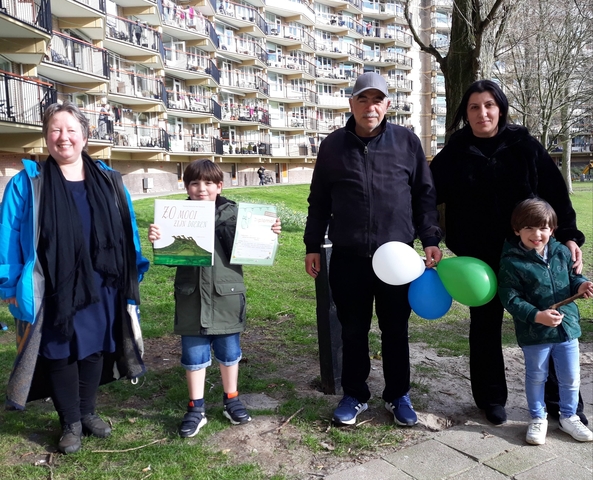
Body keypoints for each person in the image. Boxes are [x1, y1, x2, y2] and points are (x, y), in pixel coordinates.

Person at [430, 79, 587, 426]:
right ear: (465, 114)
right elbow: (426, 195)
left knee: (549, 325)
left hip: (530, 254)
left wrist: (571, 236)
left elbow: (555, 196)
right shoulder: (455, 152)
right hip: (479, 259)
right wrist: (430, 236)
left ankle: (562, 405)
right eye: (474, 107)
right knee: (484, 328)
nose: (482, 112)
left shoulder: (524, 146)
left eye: (489, 105)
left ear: (500, 108)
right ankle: (491, 400)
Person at [0, 101, 149, 454]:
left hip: (102, 283)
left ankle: (88, 412)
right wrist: (7, 285)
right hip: (51, 285)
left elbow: (128, 230)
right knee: (60, 352)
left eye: (71, 130)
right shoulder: (28, 184)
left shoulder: (109, 179)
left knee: (95, 349)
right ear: (45, 137)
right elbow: (7, 238)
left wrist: (135, 269)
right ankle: (69, 422)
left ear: (85, 135)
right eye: (55, 130)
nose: (63, 137)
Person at [304, 72, 442, 427]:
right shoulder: (333, 146)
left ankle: (398, 395)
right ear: (351, 104)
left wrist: (429, 239)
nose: (370, 106)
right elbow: (318, 200)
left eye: (377, 99)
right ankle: (355, 394)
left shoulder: (407, 143)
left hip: (397, 257)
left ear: (387, 105)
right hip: (349, 256)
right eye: (363, 99)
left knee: (396, 330)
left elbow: (424, 197)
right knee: (352, 329)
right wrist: (312, 245)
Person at [148, 159, 281, 437]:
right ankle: (196, 408)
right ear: (186, 187)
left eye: (208, 183)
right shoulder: (175, 215)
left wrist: (269, 234)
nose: (201, 189)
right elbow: (172, 258)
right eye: (194, 183)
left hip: (226, 298)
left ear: (219, 186)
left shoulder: (235, 215)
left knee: (229, 353)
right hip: (191, 298)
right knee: (194, 356)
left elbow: (254, 250)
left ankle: (231, 399)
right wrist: (158, 239)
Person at [498, 198, 593, 444]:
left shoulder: (562, 251)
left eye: (543, 228)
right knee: (536, 376)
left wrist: (581, 284)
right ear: (517, 229)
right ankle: (538, 418)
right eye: (529, 228)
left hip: (567, 330)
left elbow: (573, 278)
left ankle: (569, 417)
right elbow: (510, 298)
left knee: (571, 377)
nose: (536, 234)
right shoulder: (511, 261)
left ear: (552, 229)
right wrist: (537, 316)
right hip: (535, 334)